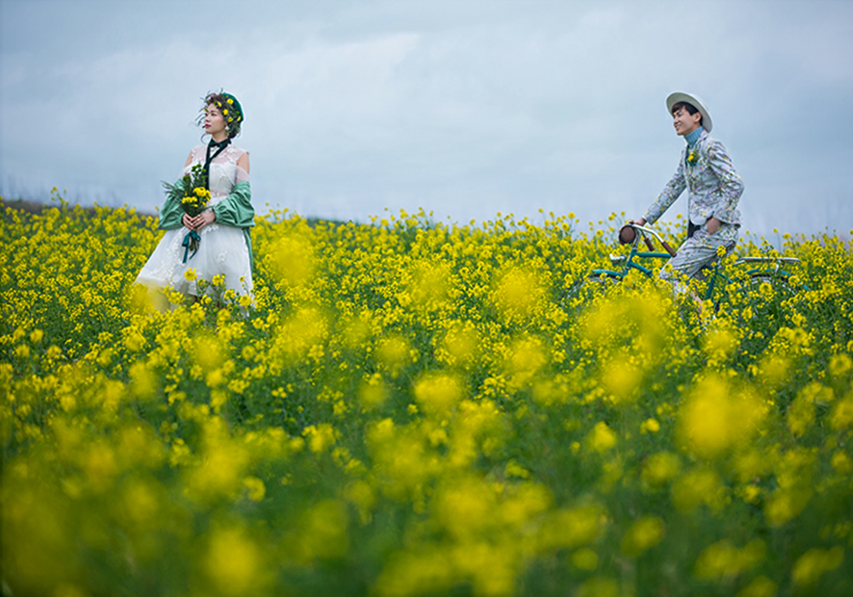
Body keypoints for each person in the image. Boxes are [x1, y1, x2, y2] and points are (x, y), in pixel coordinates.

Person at [136, 91, 254, 309]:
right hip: (190, 228)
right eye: (206, 114)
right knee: (182, 297)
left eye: (213, 114)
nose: (207, 119)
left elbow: (242, 196)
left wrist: (214, 214)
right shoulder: (195, 152)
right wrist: (182, 216)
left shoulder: (240, 155)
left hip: (222, 231)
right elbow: (179, 190)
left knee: (220, 301)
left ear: (228, 121)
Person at [631, 91, 743, 282]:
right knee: (690, 290)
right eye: (673, 116)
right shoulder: (687, 153)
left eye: (679, 115)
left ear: (696, 117)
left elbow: (735, 184)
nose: (675, 120)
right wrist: (644, 220)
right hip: (700, 231)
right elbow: (673, 187)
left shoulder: (710, 147)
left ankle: (705, 313)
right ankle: (707, 313)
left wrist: (717, 218)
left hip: (716, 232)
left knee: (667, 279)